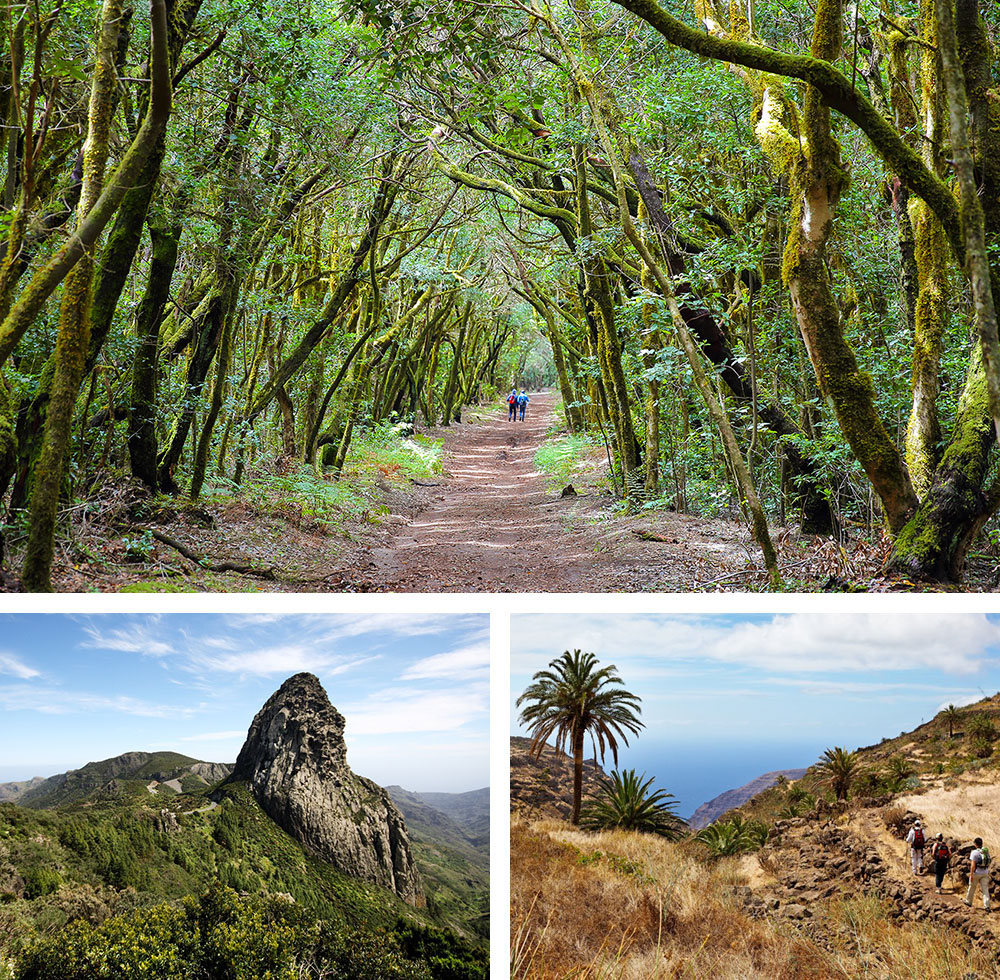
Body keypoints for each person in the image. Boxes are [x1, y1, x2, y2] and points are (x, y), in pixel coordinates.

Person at [964, 837, 991, 911]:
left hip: (976, 873)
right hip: (985, 872)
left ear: (975, 844)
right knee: (985, 890)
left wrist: (971, 875)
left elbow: (973, 865)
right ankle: (987, 906)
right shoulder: (986, 851)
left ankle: (968, 901)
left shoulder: (974, 852)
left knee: (972, 887)